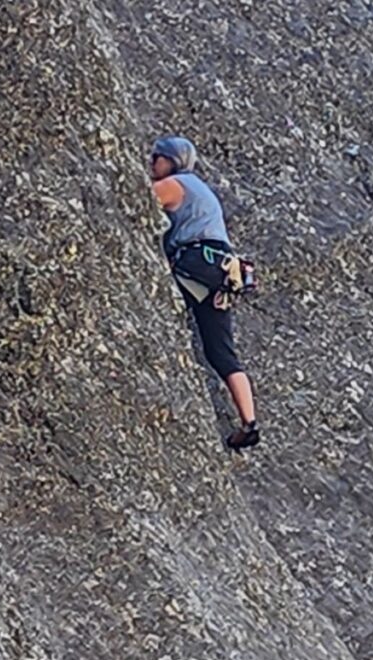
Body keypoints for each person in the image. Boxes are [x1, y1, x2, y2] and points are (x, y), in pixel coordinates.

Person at [149, 136, 260, 450]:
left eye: (157, 157)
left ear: (171, 160)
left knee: (166, 300)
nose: (151, 163)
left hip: (197, 262)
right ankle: (249, 422)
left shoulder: (175, 184)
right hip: (222, 271)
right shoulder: (203, 190)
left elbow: (137, 200)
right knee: (220, 352)